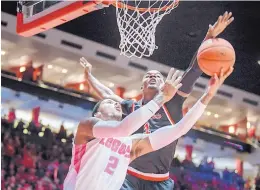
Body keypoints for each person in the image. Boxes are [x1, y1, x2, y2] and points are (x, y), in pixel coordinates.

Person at [80, 11, 234, 190]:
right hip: (128, 175)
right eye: (148, 75)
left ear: (165, 86)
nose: (153, 76)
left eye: (157, 76)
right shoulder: (131, 107)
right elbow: (106, 93)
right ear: (141, 86)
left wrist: (209, 38)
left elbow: (193, 71)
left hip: (159, 181)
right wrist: (89, 76)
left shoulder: (173, 102)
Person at [63, 67, 233, 190]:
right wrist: (161, 98)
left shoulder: (130, 145)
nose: (115, 103)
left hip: (159, 179)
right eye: (109, 102)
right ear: (97, 114)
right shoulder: (87, 127)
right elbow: (122, 128)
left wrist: (208, 95)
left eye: (116, 102)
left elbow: (179, 129)